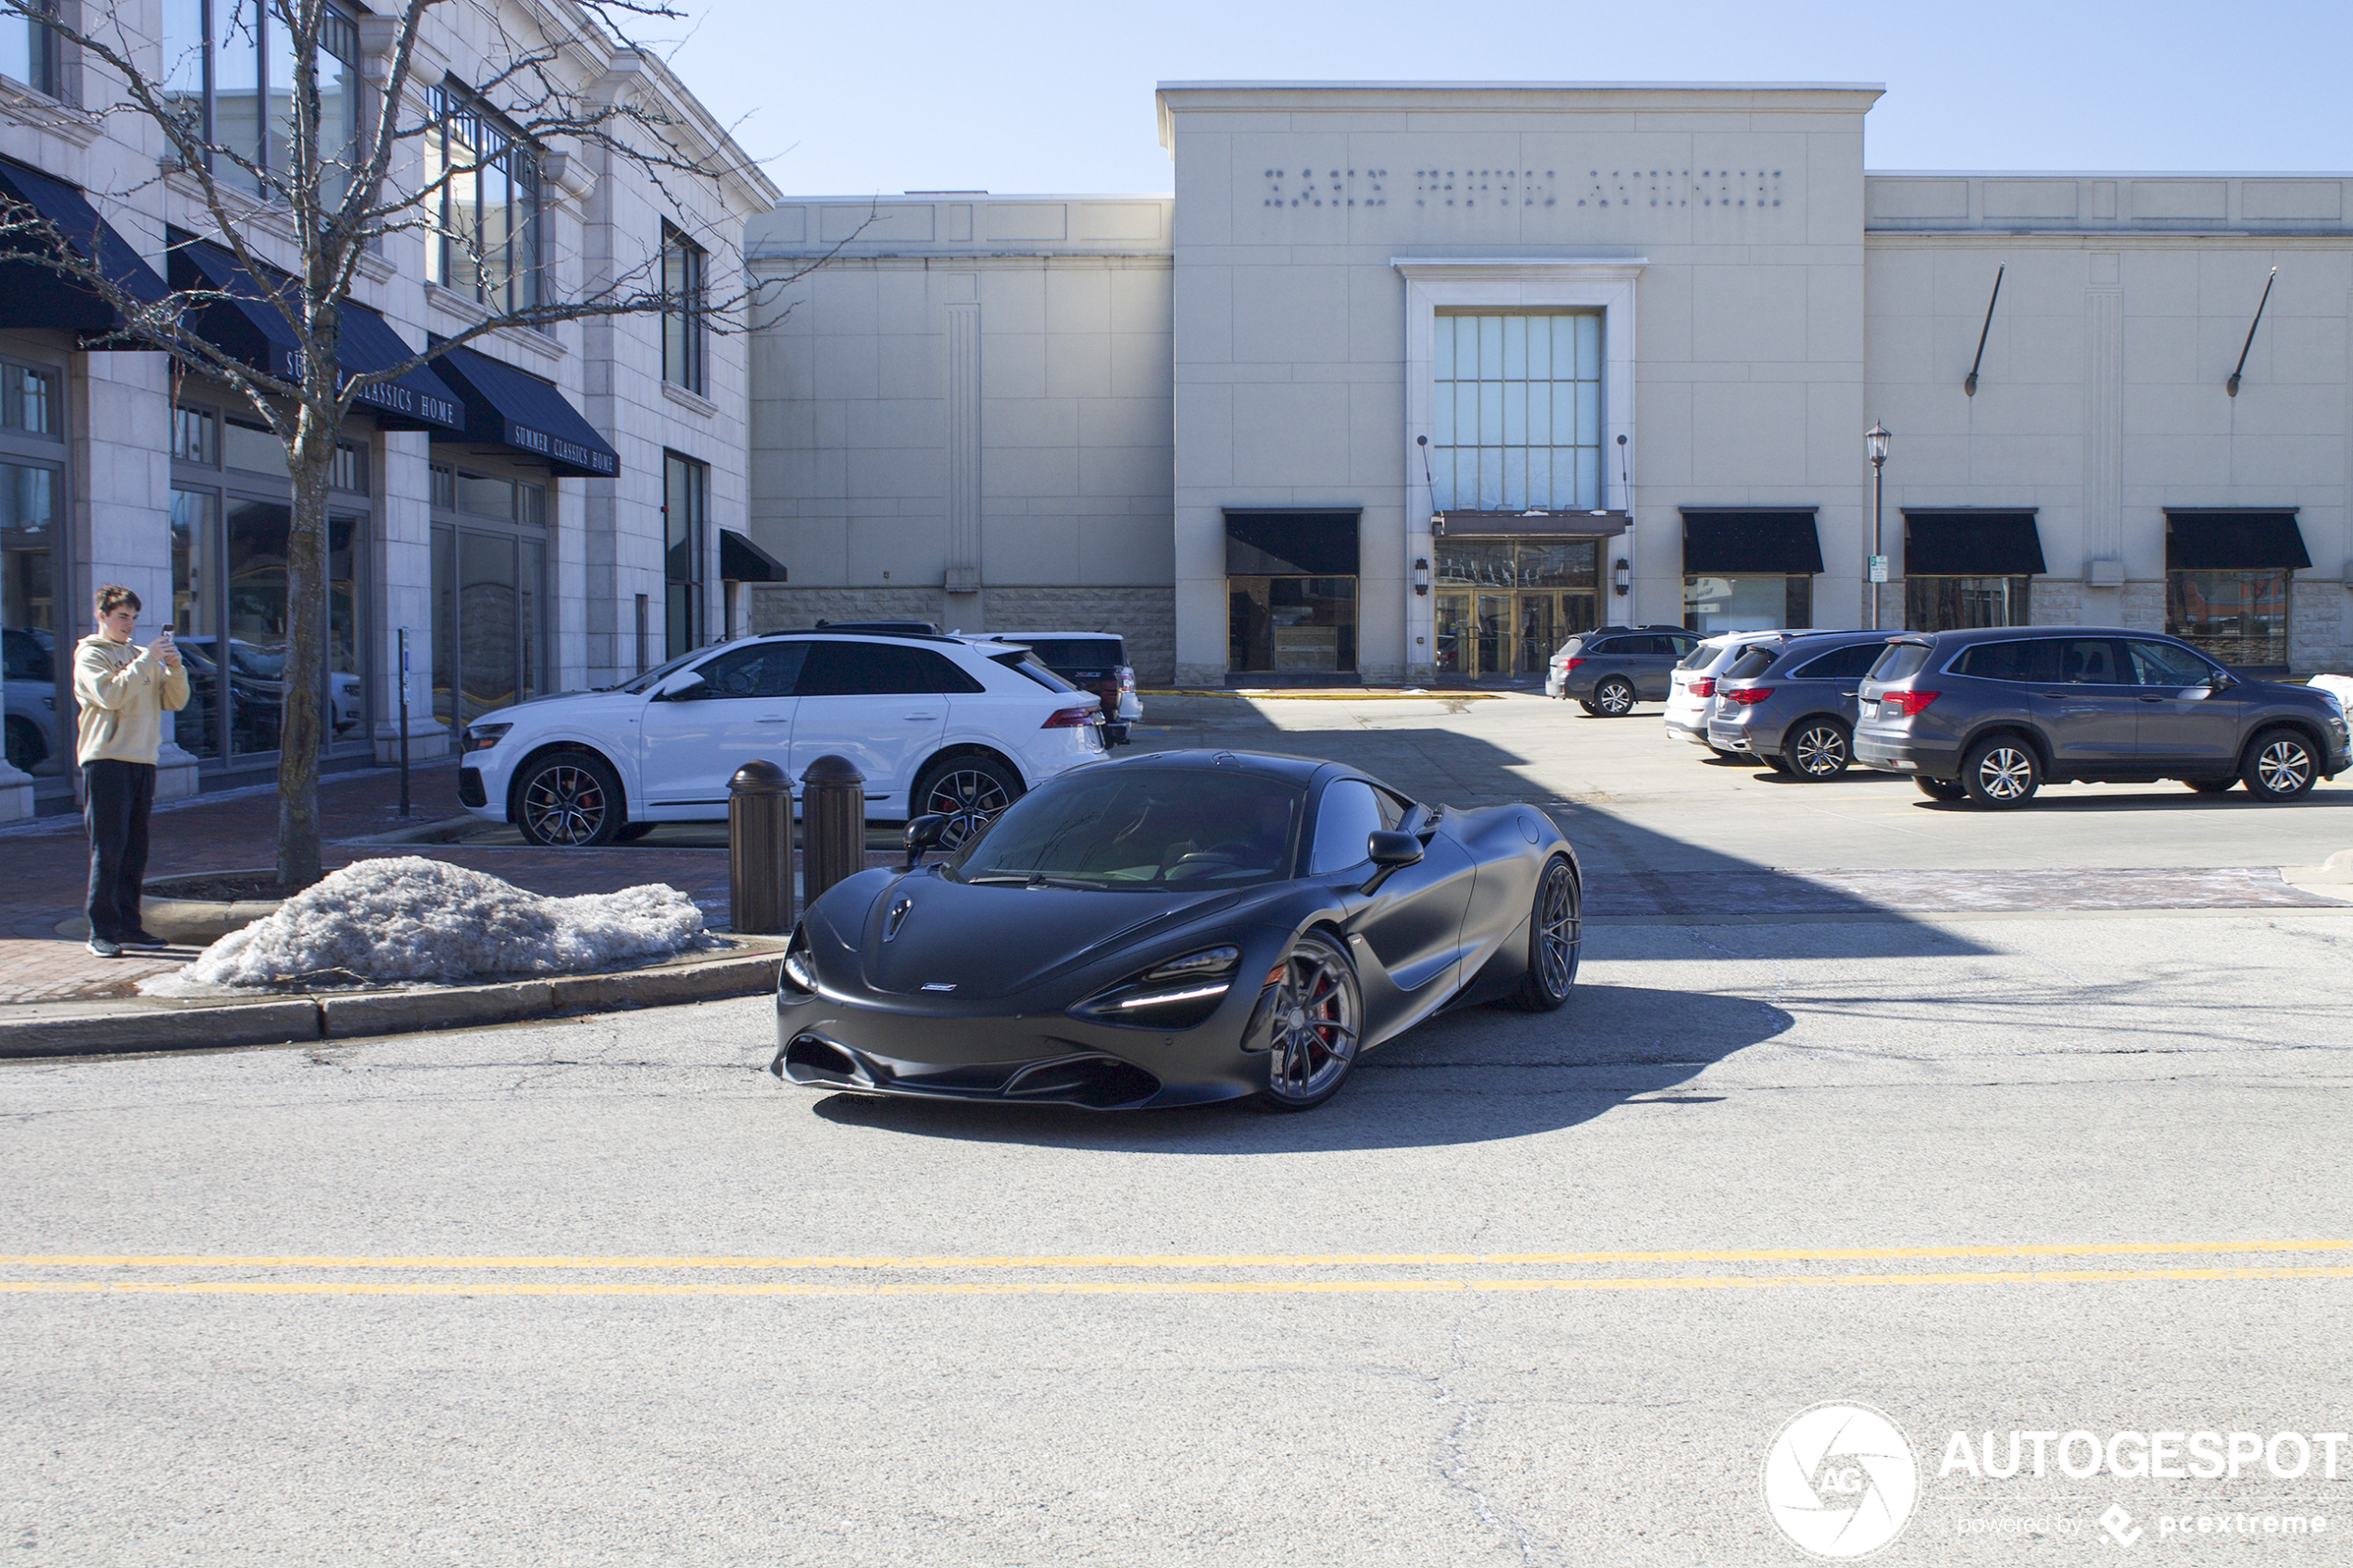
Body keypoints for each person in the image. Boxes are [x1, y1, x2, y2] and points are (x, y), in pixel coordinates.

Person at [74, 584, 188, 958]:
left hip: (142, 761)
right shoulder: (90, 654)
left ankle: (129, 925)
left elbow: (175, 700)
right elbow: (109, 695)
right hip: (106, 760)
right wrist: (145, 662)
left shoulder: (143, 656)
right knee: (108, 848)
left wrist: (174, 667)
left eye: (134, 618)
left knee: (135, 850)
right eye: (122, 616)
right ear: (102, 616)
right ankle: (101, 931)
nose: (129, 624)